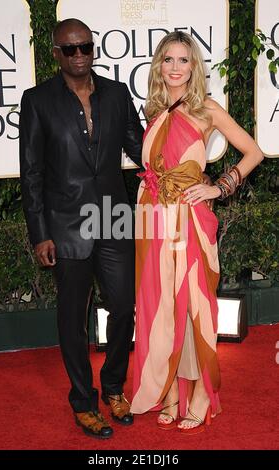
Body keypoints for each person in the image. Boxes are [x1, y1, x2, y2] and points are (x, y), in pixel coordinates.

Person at [130, 31, 263, 434]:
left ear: (194, 66)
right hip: (152, 218)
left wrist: (219, 186)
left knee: (193, 303)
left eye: (183, 60)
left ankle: (201, 394)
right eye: (167, 59)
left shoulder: (207, 109)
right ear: (159, 65)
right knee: (159, 304)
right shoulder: (153, 109)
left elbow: (253, 152)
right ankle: (169, 391)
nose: (174, 67)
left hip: (190, 219)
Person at [19, 18, 144, 439]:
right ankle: (83, 400)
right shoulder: (37, 101)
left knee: (124, 306)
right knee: (73, 319)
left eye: (86, 47)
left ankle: (113, 388)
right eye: (70, 49)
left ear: (93, 49)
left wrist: (180, 147)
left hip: (114, 215)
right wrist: (40, 233)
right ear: (55, 53)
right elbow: (31, 173)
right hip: (66, 223)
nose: (79, 55)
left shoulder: (117, 94)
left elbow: (140, 147)